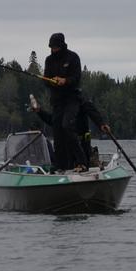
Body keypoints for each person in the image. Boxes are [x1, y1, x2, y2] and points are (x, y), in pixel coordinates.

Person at [42, 32, 89, 171]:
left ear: (62, 45)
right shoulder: (49, 60)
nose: (53, 49)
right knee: (57, 131)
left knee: (67, 126)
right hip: (57, 100)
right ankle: (60, 165)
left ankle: (82, 162)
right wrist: (52, 81)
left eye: (56, 47)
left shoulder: (73, 57)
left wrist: (65, 81)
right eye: (51, 47)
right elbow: (46, 80)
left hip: (72, 99)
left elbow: (76, 78)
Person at [29, 91, 111, 169]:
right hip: (67, 146)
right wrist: (39, 111)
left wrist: (101, 123)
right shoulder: (60, 105)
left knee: (83, 161)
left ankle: (84, 165)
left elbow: (91, 111)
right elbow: (53, 120)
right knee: (66, 164)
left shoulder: (79, 99)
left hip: (81, 144)